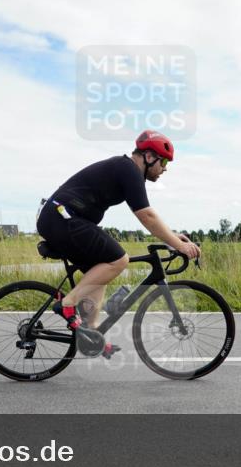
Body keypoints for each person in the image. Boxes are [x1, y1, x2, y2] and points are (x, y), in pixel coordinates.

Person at [36, 130, 201, 356]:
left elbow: (148, 216)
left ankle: (90, 332)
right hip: (62, 217)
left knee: (102, 268)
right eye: (163, 162)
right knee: (118, 260)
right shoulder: (128, 169)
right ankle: (67, 304)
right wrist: (178, 244)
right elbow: (147, 216)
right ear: (149, 156)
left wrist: (173, 238)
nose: (165, 168)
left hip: (64, 218)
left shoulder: (127, 171)